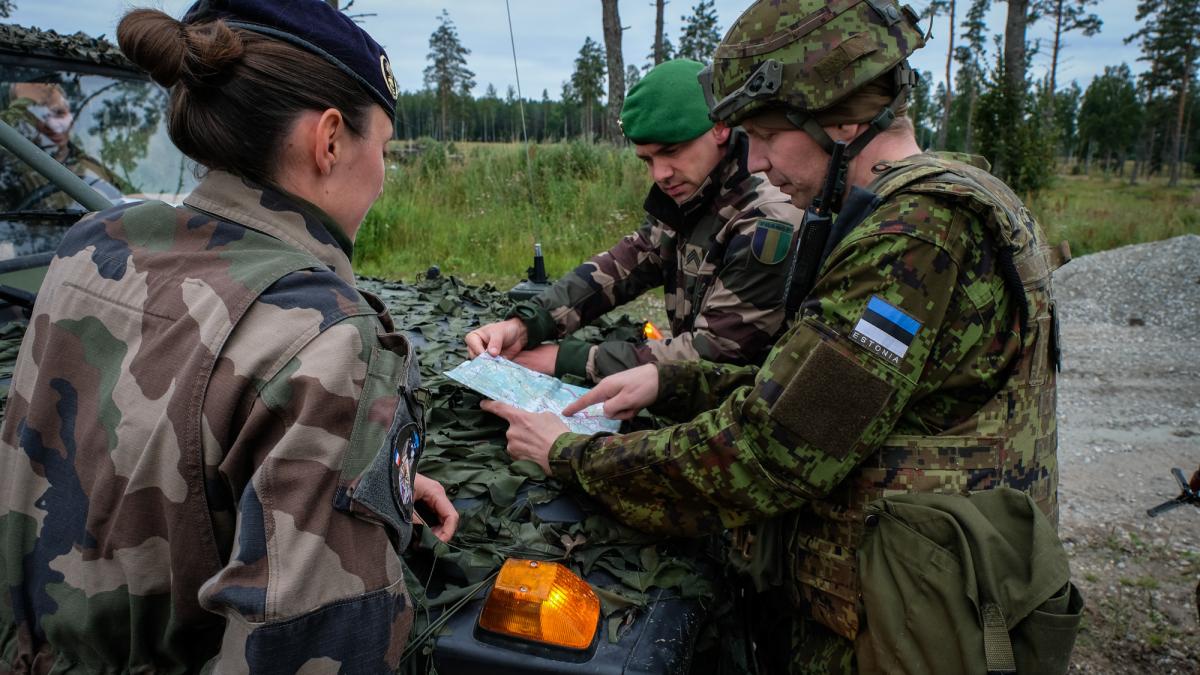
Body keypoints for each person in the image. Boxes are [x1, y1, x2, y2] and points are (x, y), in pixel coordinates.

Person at [484, 0, 1064, 671]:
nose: (755, 161)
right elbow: (825, 392)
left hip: (909, 624)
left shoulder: (912, 239)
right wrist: (669, 380)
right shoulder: (947, 201)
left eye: (764, 134)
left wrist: (570, 454)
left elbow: (774, 450)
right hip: (926, 596)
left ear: (841, 118)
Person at [0, 1, 457, 672]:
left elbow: (110, 453)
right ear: (330, 140)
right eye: (382, 148)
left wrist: (349, 479)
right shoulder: (331, 336)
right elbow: (312, 653)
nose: (383, 176)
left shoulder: (91, 244)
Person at [466, 59, 803, 382]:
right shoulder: (696, 192)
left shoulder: (766, 219)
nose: (660, 174)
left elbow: (716, 354)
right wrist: (528, 323)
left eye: (670, 151)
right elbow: (623, 265)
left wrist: (569, 359)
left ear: (719, 127)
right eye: (647, 160)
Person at [0, 81, 126, 210]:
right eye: (37, 115)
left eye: (59, 113)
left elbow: (128, 197)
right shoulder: (12, 171)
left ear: (70, 114)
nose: (51, 125)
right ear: (25, 120)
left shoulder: (93, 166)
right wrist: (25, 102)